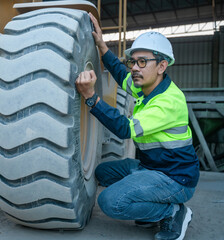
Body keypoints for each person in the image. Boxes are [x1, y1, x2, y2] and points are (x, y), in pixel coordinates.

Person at [75, 13, 199, 240]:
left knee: (110, 202)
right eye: (133, 61)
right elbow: (122, 75)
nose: (134, 67)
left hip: (175, 178)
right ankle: (152, 205)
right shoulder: (147, 85)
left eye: (142, 62)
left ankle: (171, 211)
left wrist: (91, 97)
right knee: (103, 172)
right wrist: (102, 47)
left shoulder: (168, 101)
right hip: (151, 166)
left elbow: (124, 128)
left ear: (162, 66)